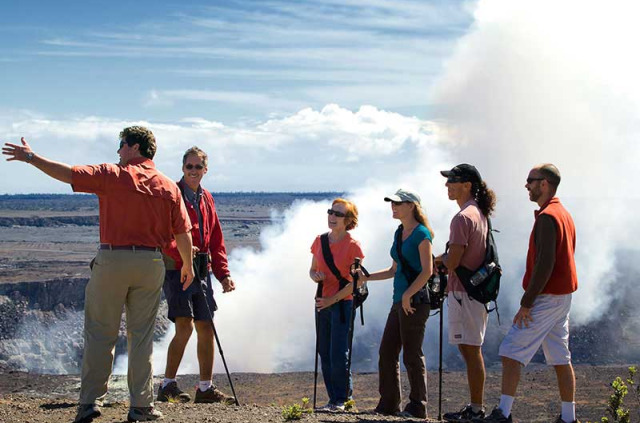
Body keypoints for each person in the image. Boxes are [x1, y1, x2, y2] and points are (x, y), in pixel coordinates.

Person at [2, 127, 194, 423]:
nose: (118, 151)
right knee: (141, 336)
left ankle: (89, 403)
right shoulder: (168, 186)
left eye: (121, 145)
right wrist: (187, 265)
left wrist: (31, 158)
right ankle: (142, 406)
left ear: (133, 147)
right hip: (151, 263)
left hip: (112, 260)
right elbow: (183, 232)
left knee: (100, 332)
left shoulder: (112, 175)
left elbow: (68, 173)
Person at [482, 164, 579, 423]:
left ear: (544, 184)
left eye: (530, 181)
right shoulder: (563, 214)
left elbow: (545, 264)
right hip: (562, 297)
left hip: (546, 297)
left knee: (511, 350)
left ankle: (503, 413)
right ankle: (569, 418)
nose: (526, 185)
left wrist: (527, 303)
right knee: (560, 356)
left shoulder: (548, 217)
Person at [157, 146, 236, 404]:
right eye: (189, 167)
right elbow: (162, 234)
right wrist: (180, 250)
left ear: (205, 169)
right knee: (184, 325)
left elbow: (215, 238)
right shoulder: (172, 194)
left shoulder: (207, 198)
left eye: (198, 167)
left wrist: (223, 274)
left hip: (202, 269)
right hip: (177, 269)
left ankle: (205, 388)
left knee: (206, 325)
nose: (193, 171)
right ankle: (167, 385)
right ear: (182, 168)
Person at [359, 188, 434, 419]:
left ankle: (417, 406)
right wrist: (367, 276)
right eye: (392, 203)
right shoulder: (399, 232)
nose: (393, 207)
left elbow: (427, 271)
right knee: (387, 352)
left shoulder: (422, 234)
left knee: (412, 354)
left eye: (398, 203)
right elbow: (394, 270)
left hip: (413, 303)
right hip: (400, 300)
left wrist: (407, 295)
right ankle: (389, 404)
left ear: (411, 206)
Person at [436, 164, 496, 422]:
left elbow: (453, 261)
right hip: (475, 292)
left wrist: (434, 260)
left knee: (471, 350)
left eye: (453, 181)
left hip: (464, 292)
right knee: (471, 348)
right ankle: (475, 407)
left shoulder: (462, 218)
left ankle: (476, 409)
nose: (447, 186)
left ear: (467, 185)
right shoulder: (479, 213)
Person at [310, 198, 364, 411]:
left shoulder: (353, 247)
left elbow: (355, 282)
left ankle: (342, 399)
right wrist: (316, 276)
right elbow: (312, 269)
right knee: (324, 350)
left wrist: (331, 300)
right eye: (331, 212)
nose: (332, 217)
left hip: (342, 304)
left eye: (338, 214)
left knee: (339, 352)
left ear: (348, 220)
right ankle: (334, 399)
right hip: (322, 301)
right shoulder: (319, 241)